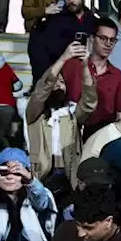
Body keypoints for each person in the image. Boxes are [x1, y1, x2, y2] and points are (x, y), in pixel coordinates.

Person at [24, 41, 96, 179]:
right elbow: (41, 91)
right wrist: (63, 58)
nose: (57, 85)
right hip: (41, 175)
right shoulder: (34, 114)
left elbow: (89, 101)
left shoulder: (71, 114)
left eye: (62, 82)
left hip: (68, 176)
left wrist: (85, 65)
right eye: (54, 82)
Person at [62, 17, 121, 138]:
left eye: (112, 40)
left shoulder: (117, 76)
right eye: (103, 39)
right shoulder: (73, 66)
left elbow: (120, 116)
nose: (108, 44)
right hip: (71, 130)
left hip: (102, 135)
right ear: (92, 39)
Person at [28, 0, 98, 82]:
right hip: (59, 81)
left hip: (87, 80)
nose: (71, 0)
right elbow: (38, 54)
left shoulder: (93, 22)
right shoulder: (53, 20)